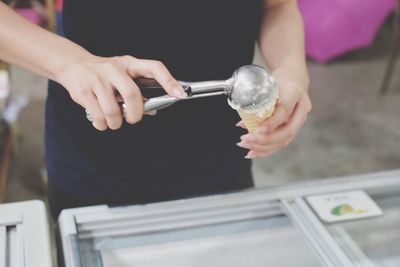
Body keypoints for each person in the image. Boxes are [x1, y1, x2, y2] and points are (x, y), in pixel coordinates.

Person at [0, 0, 311, 220]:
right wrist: (70, 63)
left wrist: (292, 67)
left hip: (220, 150)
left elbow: (277, 6)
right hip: (100, 145)